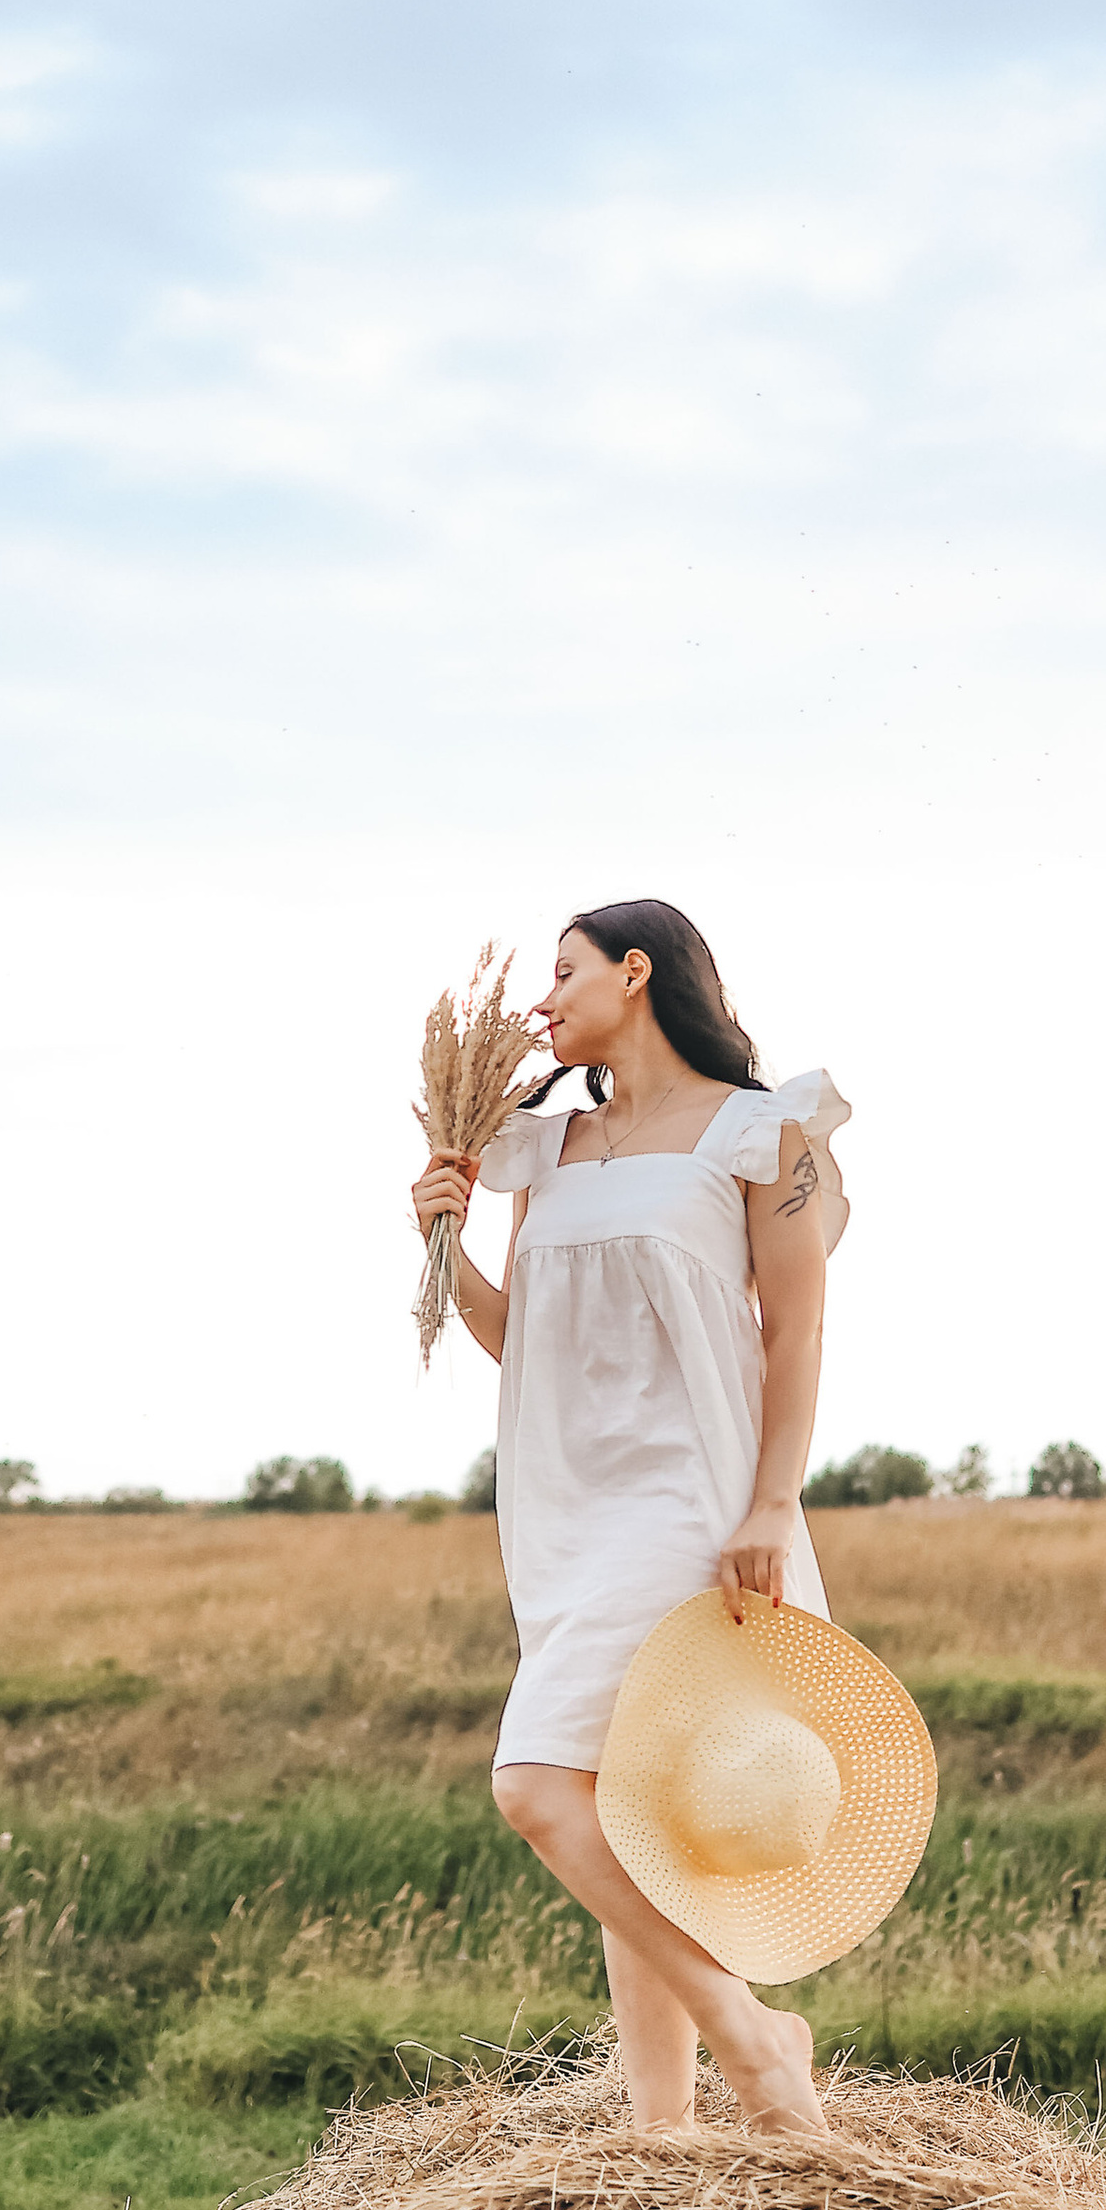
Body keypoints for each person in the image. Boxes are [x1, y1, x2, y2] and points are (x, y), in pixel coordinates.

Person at [409, 898, 850, 2137]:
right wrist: (444, 1237)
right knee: (625, 1808)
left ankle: (754, 2044)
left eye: (563, 972)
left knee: (536, 1787)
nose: (539, 1002)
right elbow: (519, 1340)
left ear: (636, 972)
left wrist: (770, 1502)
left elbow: (796, 1329)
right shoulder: (541, 1149)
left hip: (688, 1498)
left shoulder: (764, 1130)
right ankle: (662, 2129)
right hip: (566, 1506)